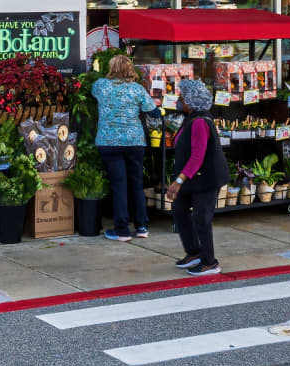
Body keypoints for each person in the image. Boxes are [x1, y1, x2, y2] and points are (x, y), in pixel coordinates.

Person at [165, 77, 230, 276]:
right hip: (193, 177)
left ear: (191, 100)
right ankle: (194, 252)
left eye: (182, 97)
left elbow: (197, 156)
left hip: (206, 179)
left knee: (201, 218)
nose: (179, 100)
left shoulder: (200, 122)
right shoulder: (191, 118)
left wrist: (178, 181)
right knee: (179, 209)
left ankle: (210, 262)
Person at [92, 54, 157, 241]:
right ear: (130, 69)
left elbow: (93, 92)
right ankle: (142, 226)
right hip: (134, 142)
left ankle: (121, 230)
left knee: (119, 186)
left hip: (109, 141)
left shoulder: (101, 86)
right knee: (136, 184)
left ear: (112, 68)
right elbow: (152, 111)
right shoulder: (137, 89)